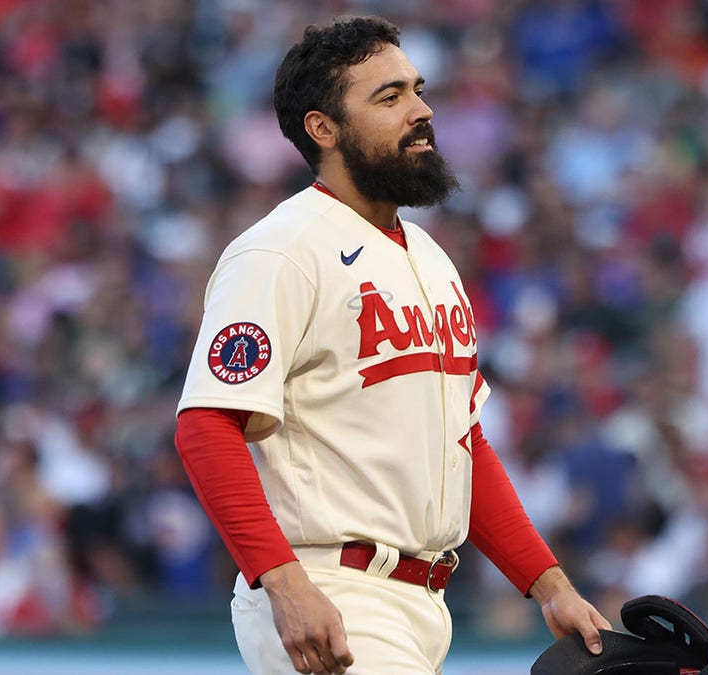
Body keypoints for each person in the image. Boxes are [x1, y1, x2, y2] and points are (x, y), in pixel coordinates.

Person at [173, 15, 610, 675]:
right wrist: (284, 582)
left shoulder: (431, 259)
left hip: (424, 602)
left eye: (416, 89)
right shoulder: (280, 250)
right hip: (330, 584)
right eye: (390, 97)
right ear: (323, 128)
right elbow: (207, 424)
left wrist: (550, 583)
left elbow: (463, 443)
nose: (422, 110)